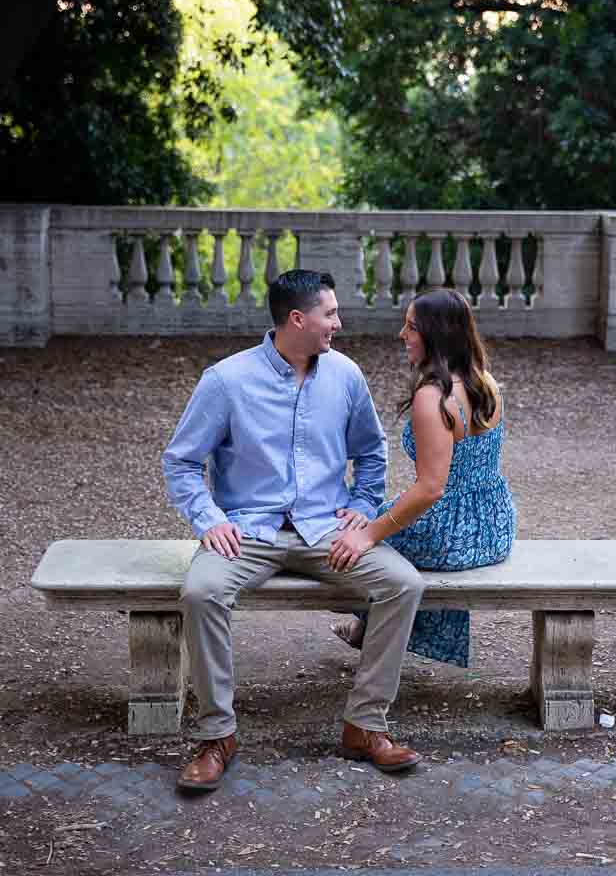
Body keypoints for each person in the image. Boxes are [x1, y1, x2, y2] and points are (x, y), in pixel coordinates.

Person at [163, 269, 425, 792]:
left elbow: (371, 454)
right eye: (330, 313)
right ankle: (218, 736)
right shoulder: (226, 381)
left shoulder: (346, 375)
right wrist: (210, 520)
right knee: (201, 591)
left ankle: (365, 726)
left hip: (326, 530)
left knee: (404, 583)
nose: (338, 322)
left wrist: (362, 505)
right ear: (297, 319)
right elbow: (182, 462)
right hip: (246, 530)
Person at [329, 288, 516, 667]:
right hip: (495, 524)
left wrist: (366, 534)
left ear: (437, 334)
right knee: (376, 520)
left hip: (451, 533)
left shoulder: (434, 397)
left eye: (411, 327)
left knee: (344, 539)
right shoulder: (486, 382)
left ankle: (377, 635)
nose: (402, 334)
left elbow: (431, 489)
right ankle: (366, 628)